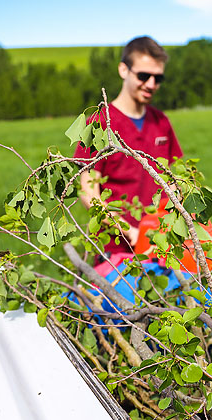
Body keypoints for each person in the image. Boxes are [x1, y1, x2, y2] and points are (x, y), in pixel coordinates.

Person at [75, 36, 182, 257]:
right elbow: (89, 193)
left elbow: (175, 181)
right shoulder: (99, 123)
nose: (151, 84)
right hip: (115, 252)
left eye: (158, 78)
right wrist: (129, 230)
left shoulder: (161, 122)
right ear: (124, 70)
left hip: (162, 250)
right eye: (144, 75)